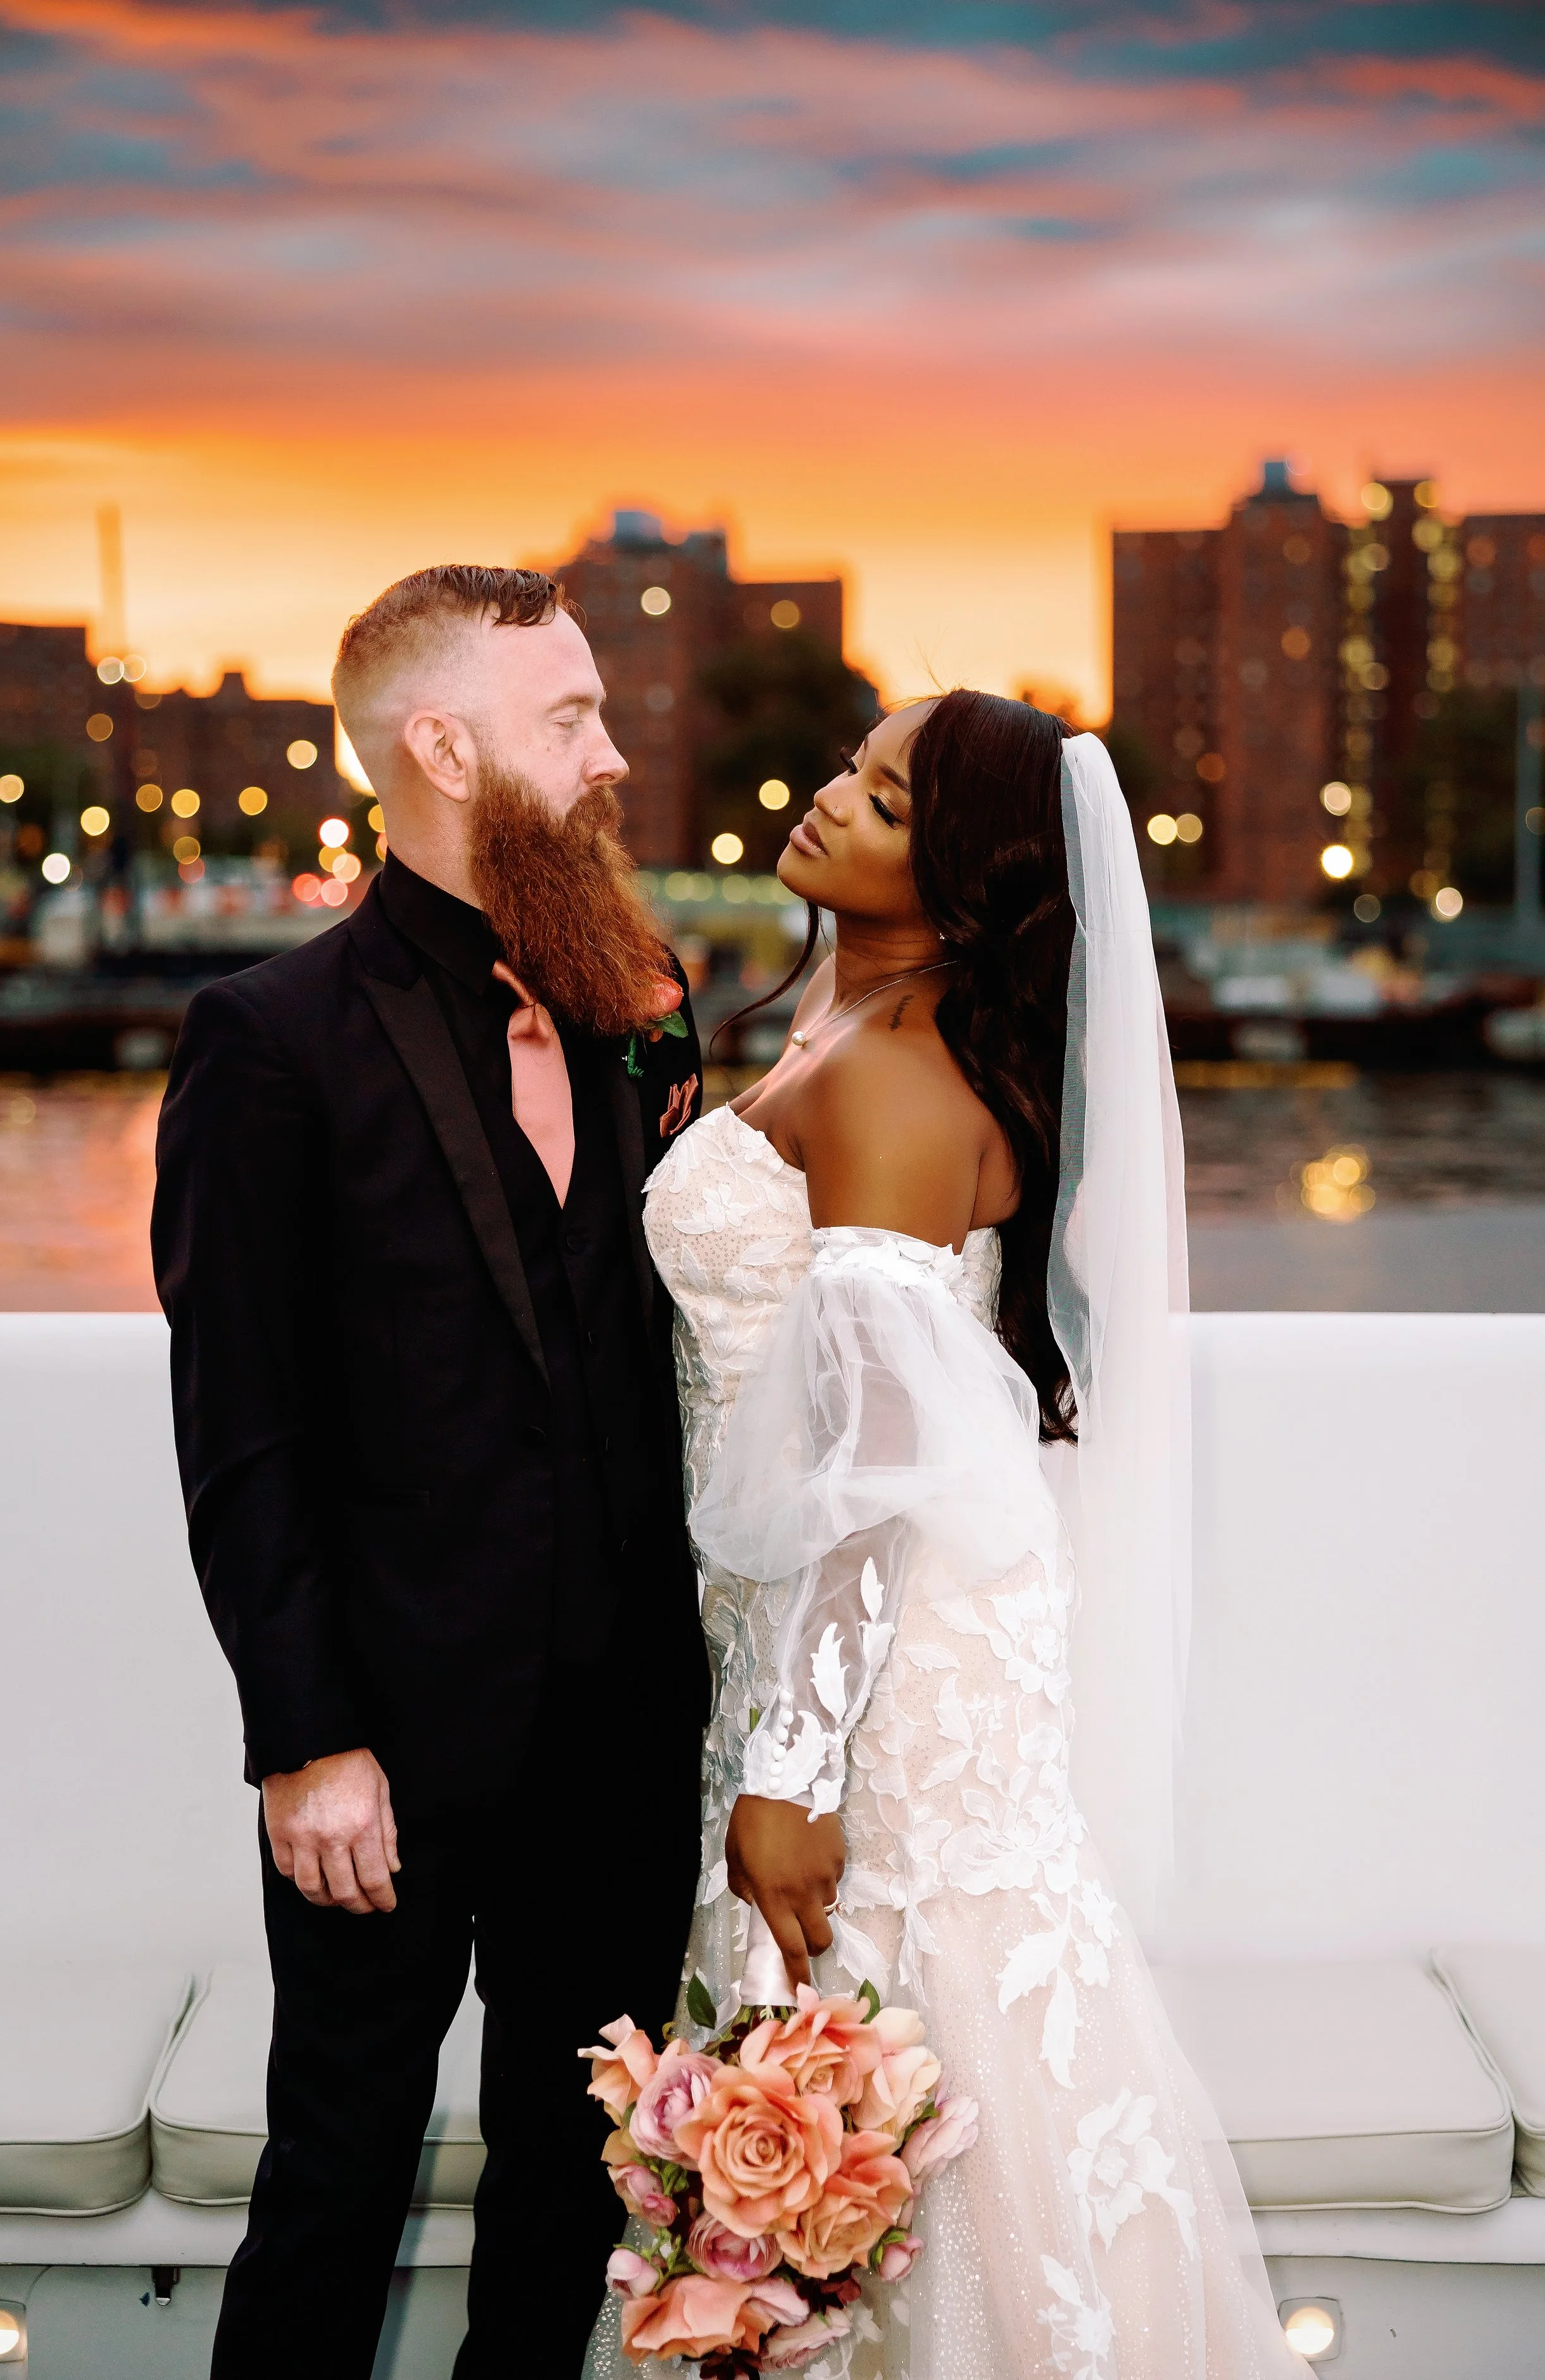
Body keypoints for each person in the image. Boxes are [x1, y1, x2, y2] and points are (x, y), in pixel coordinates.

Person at [593, 694, 1304, 2375]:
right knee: (870, 2083)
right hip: (811, 1640)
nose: (833, 796)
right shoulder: (854, 1023)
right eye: (848, 761)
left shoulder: (901, 1073)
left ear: (963, 871)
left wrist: (788, 1764)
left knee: (918, 2047)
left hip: (874, 1674)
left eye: (886, 793)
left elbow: (874, 1457)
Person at [152, 565, 710, 2379]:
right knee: (338, 2180)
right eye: (572, 720)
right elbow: (241, 1428)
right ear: (442, 744)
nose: (613, 754)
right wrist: (305, 1740)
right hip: (384, 1745)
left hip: (624, 1730)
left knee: (566, 2186)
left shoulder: (641, 1001)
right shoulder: (269, 1039)